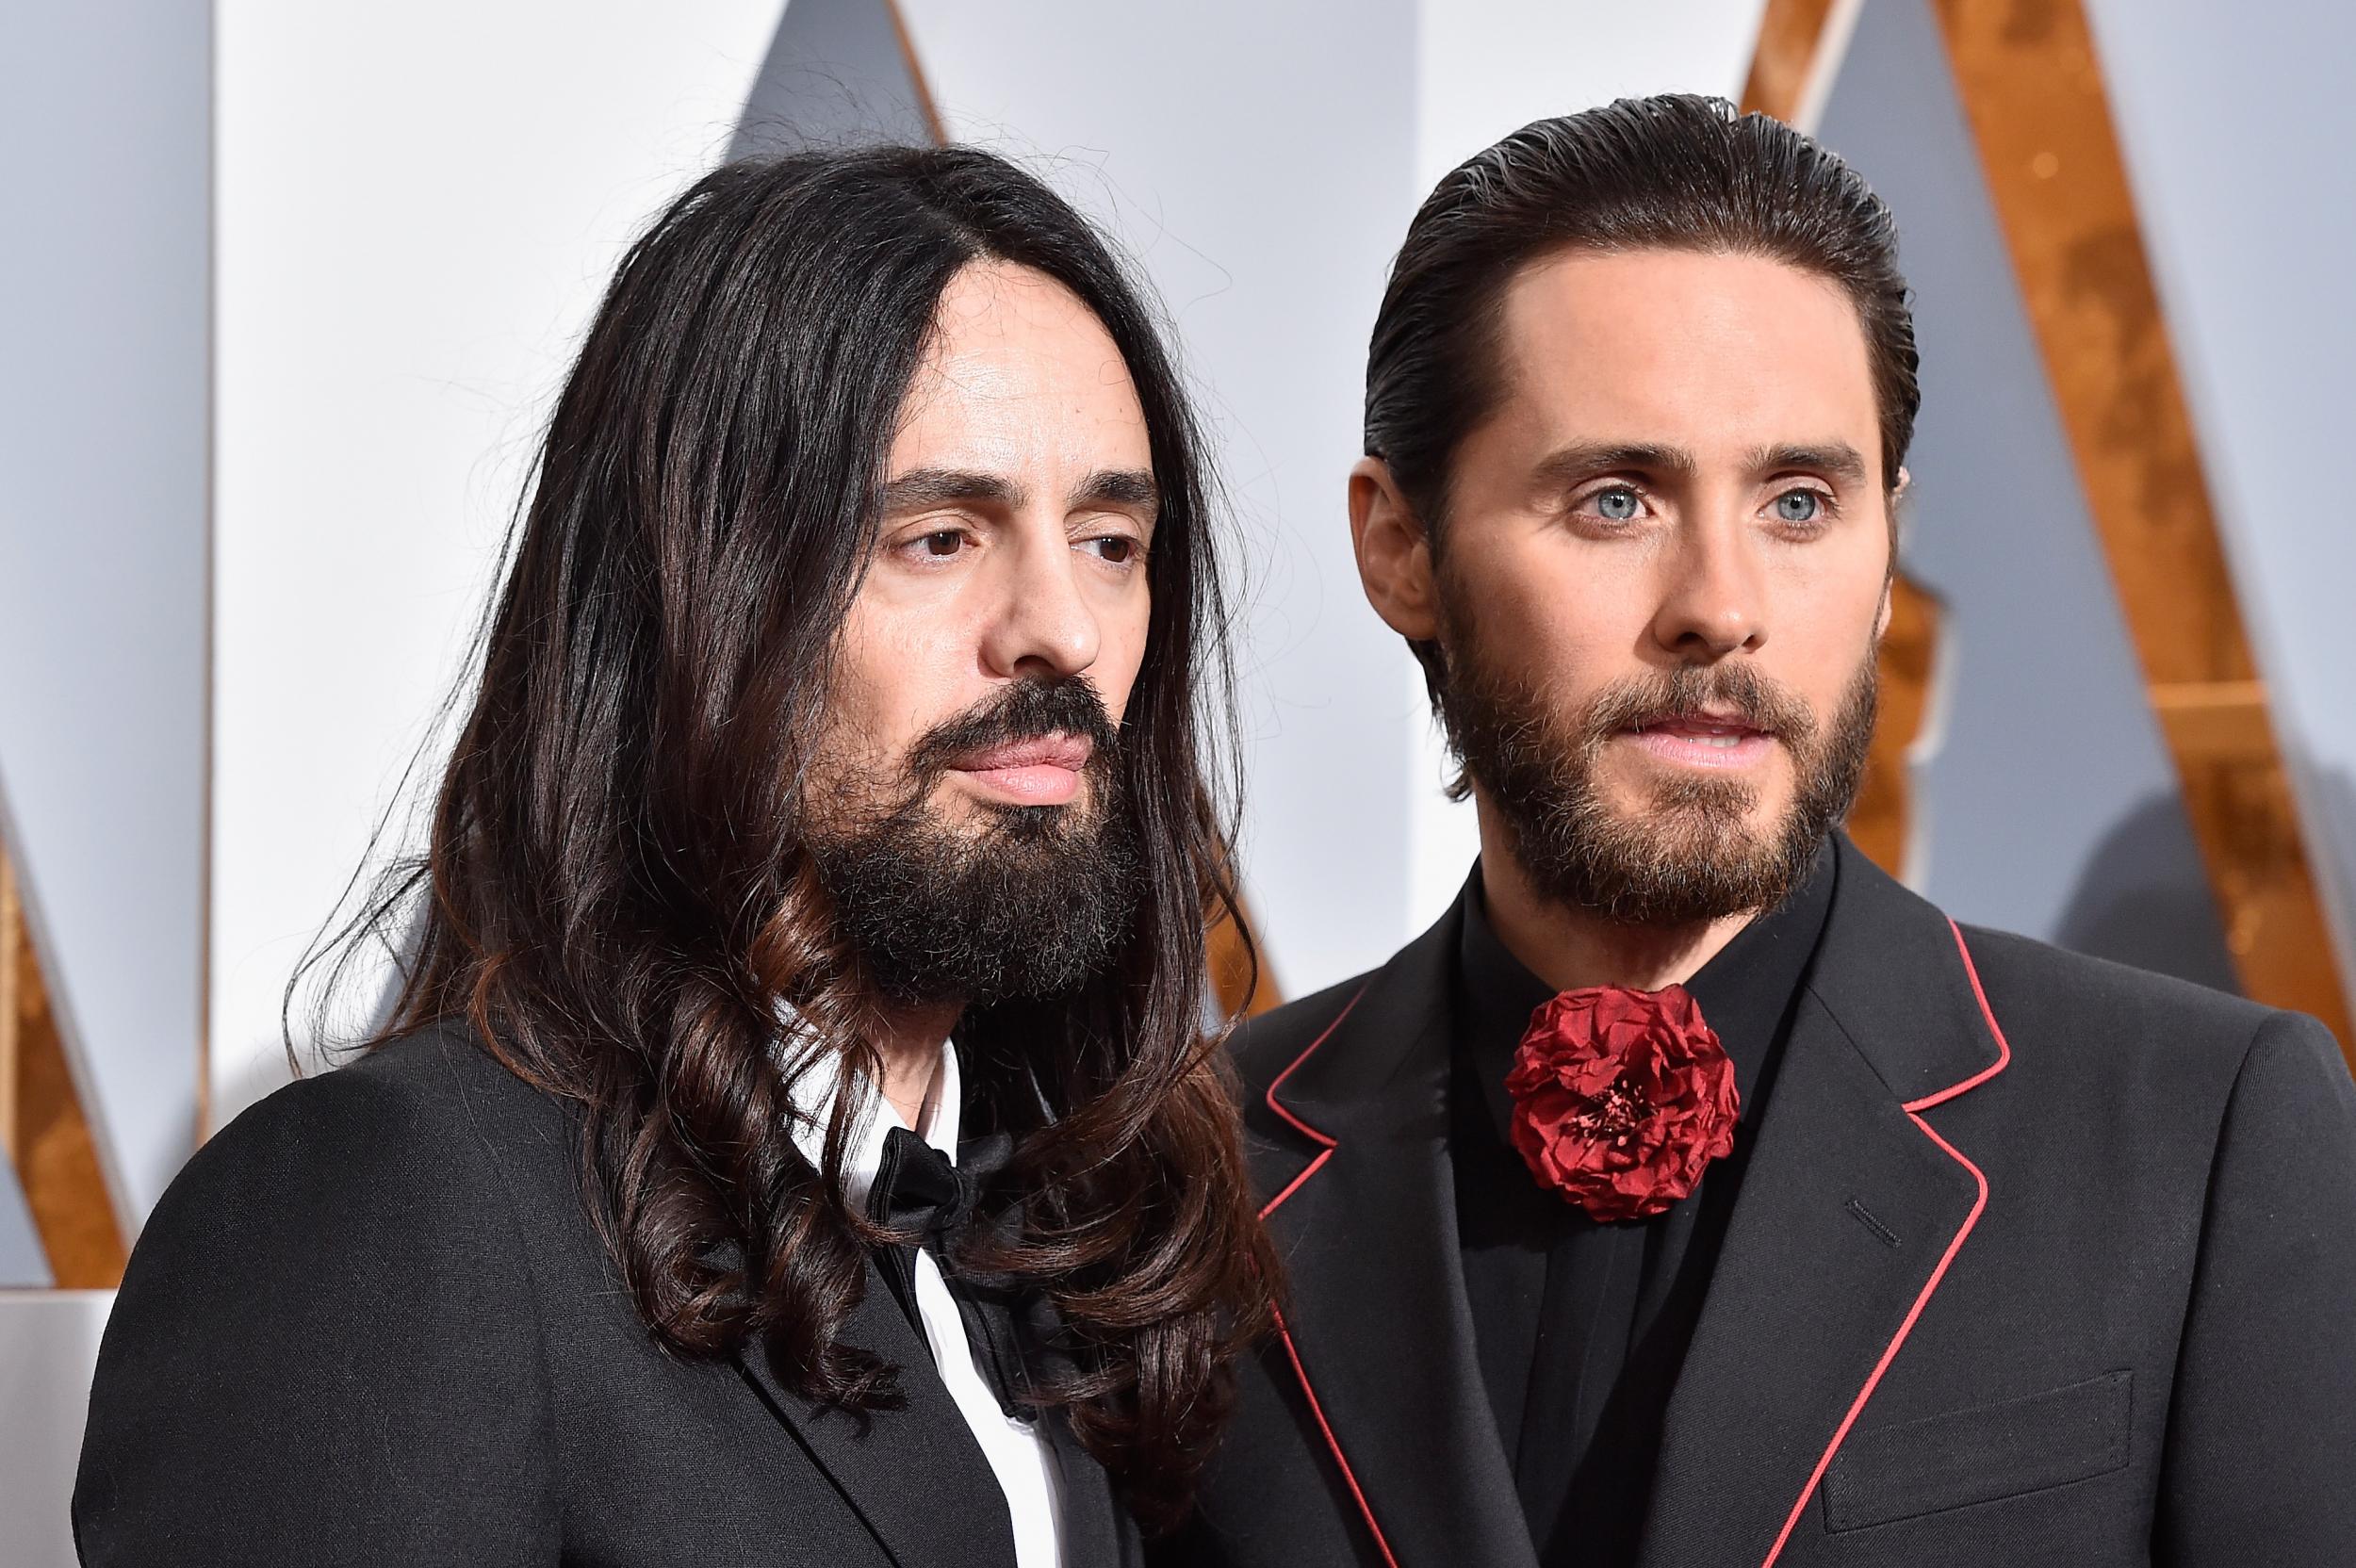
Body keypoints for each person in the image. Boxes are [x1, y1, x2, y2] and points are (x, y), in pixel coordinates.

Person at [1169, 95, 2356, 1567]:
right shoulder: (1181, 1180)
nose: (1721, 604)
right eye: (1616, 498)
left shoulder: (2195, 1137)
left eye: (1800, 501)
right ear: (1399, 548)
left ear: (1883, 544)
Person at [75, 145, 1275, 1568]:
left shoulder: (1084, 1239)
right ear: (700, 597)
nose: (1063, 630)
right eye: (941, 538)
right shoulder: (393, 1214)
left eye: (1112, 539)